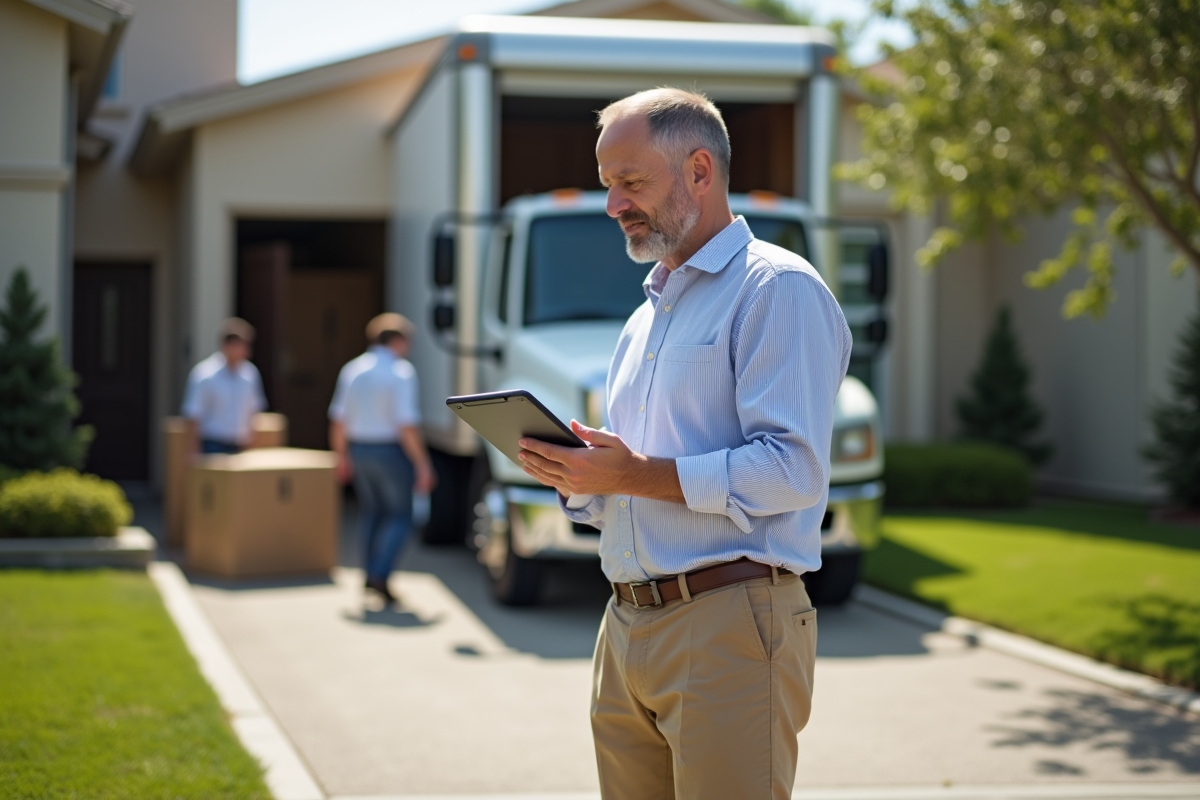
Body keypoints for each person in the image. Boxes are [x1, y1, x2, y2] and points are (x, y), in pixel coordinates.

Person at [516, 88, 852, 799]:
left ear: (700, 171)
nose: (614, 206)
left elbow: (793, 471)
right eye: (610, 185)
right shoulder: (645, 318)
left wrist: (633, 473)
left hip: (730, 625)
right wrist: (583, 477)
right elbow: (640, 481)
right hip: (626, 626)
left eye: (630, 183)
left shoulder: (778, 290)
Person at [329, 313, 436, 604]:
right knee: (401, 515)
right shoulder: (401, 371)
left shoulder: (352, 370)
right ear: (398, 341)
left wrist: (342, 457)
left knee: (372, 513)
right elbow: (406, 424)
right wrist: (423, 463)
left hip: (359, 448)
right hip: (390, 450)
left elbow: (338, 420)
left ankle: (368, 574)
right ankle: (380, 574)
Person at [182, 318, 267, 456]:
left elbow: (254, 410)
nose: (247, 351)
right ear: (228, 346)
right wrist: (193, 450)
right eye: (242, 345)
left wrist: (252, 444)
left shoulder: (250, 373)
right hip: (212, 446)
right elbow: (193, 415)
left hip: (241, 446)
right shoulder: (205, 374)